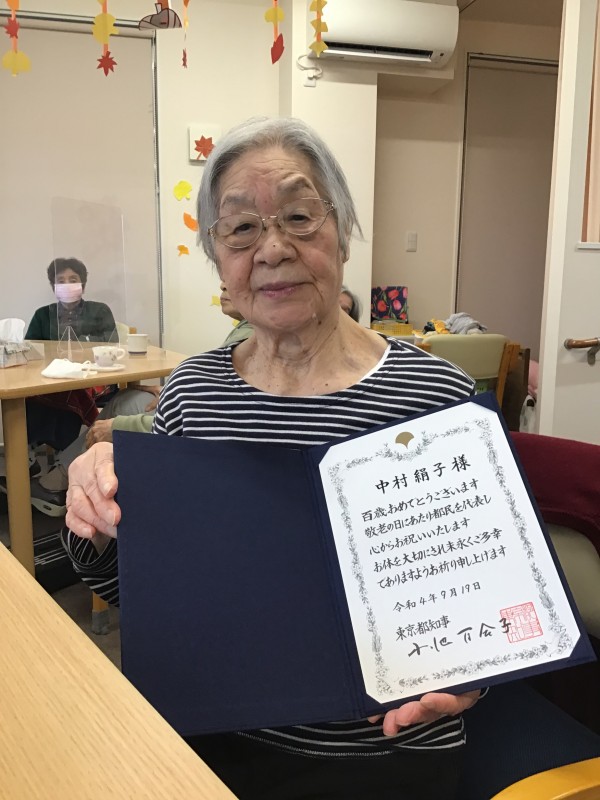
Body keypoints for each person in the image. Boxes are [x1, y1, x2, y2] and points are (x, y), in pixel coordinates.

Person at [63, 117, 479, 800]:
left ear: (342, 230)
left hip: (383, 748)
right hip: (208, 734)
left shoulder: (436, 395)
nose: (274, 249)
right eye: (241, 228)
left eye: (299, 216)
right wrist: (93, 510)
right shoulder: (194, 394)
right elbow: (129, 587)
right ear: (218, 260)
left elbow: (492, 598)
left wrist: (475, 678)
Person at [2, 257, 157, 516]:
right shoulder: (43, 314)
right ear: (52, 285)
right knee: (36, 397)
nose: (67, 284)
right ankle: (38, 462)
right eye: (60, 280)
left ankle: (56, 467)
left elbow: (111, 346)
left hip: (95, 381)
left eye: (72, 279)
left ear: (83, 283)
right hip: (54, 382)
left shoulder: (99, 310)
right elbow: (31, 353)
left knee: (66, 398)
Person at [86, 283, 254, 445]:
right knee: (128, 396)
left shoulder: (246, 339)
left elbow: (208, 416)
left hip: (192, 430)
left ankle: (74, 461)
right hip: (194, 411)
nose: (223, 286)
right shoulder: (245, 331)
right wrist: (172, 391)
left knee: (121, 404)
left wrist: (118, 427)